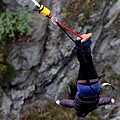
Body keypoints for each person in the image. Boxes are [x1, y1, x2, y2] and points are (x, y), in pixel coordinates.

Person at [56, 33, 115, 117]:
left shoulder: (93, 107)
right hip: (82, 88)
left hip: (94, 87)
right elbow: (68, 103)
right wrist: (60, 102)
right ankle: (79, 43)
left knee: (89, 62)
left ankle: (86, 43)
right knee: (82, 64)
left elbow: (102, 101)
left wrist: (110, 100)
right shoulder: (76, 106)